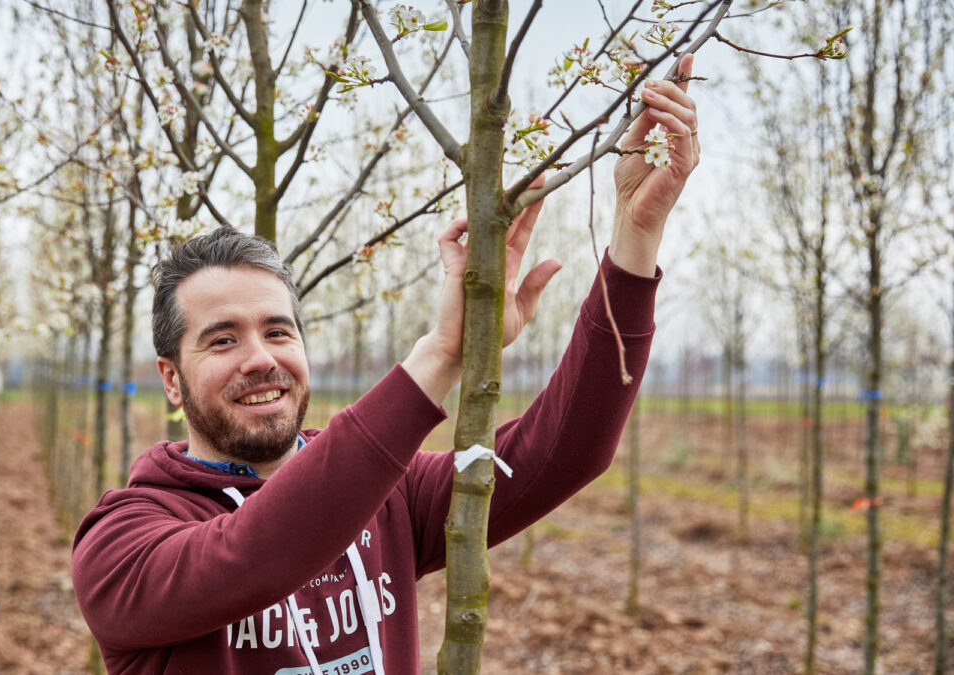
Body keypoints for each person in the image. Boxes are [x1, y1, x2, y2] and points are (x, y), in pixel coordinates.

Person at [72, 55, 700, 674]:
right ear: (171, 380)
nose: (261, 359)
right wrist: (442, 353)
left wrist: (635, 233)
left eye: (277, 331)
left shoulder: (389, 496)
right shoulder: (122, 546)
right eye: (222, 340)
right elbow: (255, 550)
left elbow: (567, 449)